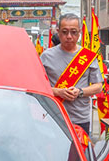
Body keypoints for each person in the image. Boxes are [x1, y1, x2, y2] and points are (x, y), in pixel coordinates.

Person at [38, 13, 103, 141]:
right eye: (64, 32)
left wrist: (80, 92)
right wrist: (57, 92)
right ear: (58, 32)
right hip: (53, 116)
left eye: (73, 32)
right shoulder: (46, 56)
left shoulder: (87, 57)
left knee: (79, 156)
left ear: (79, 33)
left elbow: (98, 86)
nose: (69, 36)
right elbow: (37, 85)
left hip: (80, 118)